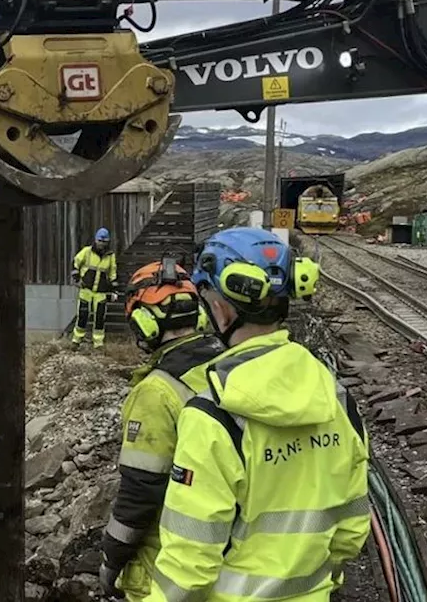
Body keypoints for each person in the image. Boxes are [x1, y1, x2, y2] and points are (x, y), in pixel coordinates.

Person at [146, 228, 370, 602]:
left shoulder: (212, 416)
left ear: (220, 307)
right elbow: (350, 532)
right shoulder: (336, 399)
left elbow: (189, 565)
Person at [99, 257, 225, 601]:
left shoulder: (156, 392)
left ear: (143, 323)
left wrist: (111, 560)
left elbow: (140, 493)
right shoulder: (229, 366)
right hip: (231, 552)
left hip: (170, 562)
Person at [71, 227, 118, 349]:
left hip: (101, 292)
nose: (101, 244)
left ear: (108, 242)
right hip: (86, 289)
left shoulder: (110, 256)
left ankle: (98, 343)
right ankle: (76, 340)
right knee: (82, 315)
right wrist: (76, 277)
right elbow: (76, 262)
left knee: (100, 318)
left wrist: (114, 290)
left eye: (104, 241)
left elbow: (112, 273)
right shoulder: (87, 252)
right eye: (100, 241)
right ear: (96, 240)